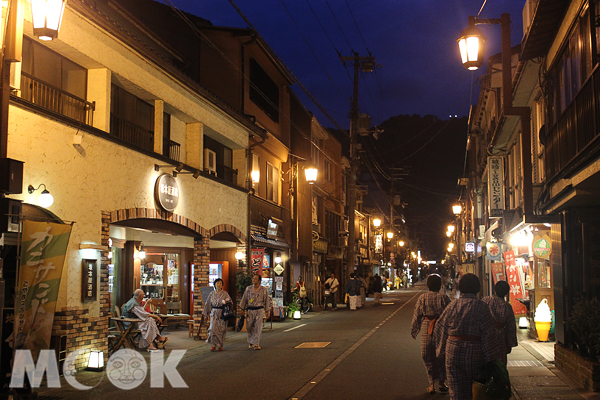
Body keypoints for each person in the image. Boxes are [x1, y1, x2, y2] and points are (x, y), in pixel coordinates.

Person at [434, 273, 500, 400]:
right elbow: (489, 334)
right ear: (477, 288)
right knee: (476, 390)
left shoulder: (452, 306)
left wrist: (441, 351)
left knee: (456, 392)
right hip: (476, 352)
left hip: (453, 351)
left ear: (460, 288)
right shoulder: (482, 307)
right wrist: (491, 358)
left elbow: (440, 327)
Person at [411, 274, 452, 394]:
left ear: (428, 285)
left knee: (427, 355)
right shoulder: (444, 297)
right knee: (442, 355)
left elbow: (417, 314)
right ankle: (441, 382)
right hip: (442, 328)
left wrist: (414, 330)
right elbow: (450, 313)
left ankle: (431, 384)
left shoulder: (422, 298)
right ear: (440, 285)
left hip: (426, 326)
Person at [482, 281, 518, 365]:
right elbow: (511, 326)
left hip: (486, 335)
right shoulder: (507, 306)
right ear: (506, 293)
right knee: (500, 363)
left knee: (486, 361)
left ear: (495, 290)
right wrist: (510, 344)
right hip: (500, 336)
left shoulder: (485, 301)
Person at [240, 274, 271, 350]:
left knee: (258, 326)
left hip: (259, 310)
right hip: (250, 310)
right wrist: (242, 309)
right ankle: (251, 341)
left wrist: (268, 311)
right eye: (253, 278)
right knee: (249, 326)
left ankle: (256, 343)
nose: (253, 280)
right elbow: (244, 299)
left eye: (255, 279)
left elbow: (266, 300)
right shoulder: (248, 289)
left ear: (259, 281)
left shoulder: (263, 290)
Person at [202, 278, 232, 351]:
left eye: (220, 283)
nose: (219, 285)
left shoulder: (225, 294)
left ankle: (220, 345)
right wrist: (206, 315)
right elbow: (208, 304)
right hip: (214, 312)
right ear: (215, 285)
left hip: (222, 313)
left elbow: (230, 302)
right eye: (217, 283)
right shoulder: (212, 294)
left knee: (221, 329)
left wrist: (226, 303)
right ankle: (213, 345)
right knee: (212, 329)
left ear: (222, 285)